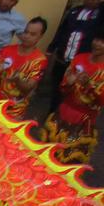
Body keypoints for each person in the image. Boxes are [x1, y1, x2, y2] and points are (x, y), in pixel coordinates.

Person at [41, 28, 104, 163]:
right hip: (63, 111)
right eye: (97, 39)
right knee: (46, 153)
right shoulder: (79, 58)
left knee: (69, 158)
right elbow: (62, 89)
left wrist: (89, 86)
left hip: (84, 119)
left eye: (103, 42)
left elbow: (101, 101)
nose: (98, 44)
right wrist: (69, 84)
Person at [47, 0, 104, 112]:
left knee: (76, 92)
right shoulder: (74, 11)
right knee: (56, 88)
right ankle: (52, 114)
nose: (89, 0)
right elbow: (62, 30)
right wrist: (51, 48)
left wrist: (102, 1)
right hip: (62, 59)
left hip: (81, 63)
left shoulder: (100, 15)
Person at [0, 17, 49, 120]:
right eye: (26, 32)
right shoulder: (6, 50)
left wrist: (17, 80)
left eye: (32, 34)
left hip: (13, 111)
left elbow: (28, 88)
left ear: (40, 37)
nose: (27, 36)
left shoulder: (39, 60)